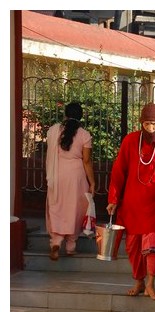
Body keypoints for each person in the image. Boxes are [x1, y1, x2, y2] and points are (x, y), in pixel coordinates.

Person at [106, 102, 155, 300]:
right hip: (133, 204)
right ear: (141, 123)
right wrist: (113, 198)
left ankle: (151, 283)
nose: (150, 128)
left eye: (154, 124)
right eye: (147, 124)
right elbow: (118, 172)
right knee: (133, 245)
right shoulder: (130, 141)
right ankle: (138, 281)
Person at [45, 102, 96, 261]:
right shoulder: (84, 134)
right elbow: (86, 161)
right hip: (76, 176)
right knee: (75, 209)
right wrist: (92, 182)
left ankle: (56, 241)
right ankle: (71, 246)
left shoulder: (53, 131)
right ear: (81, 117)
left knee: (57, 205)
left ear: (65, 115)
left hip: (57, 174)